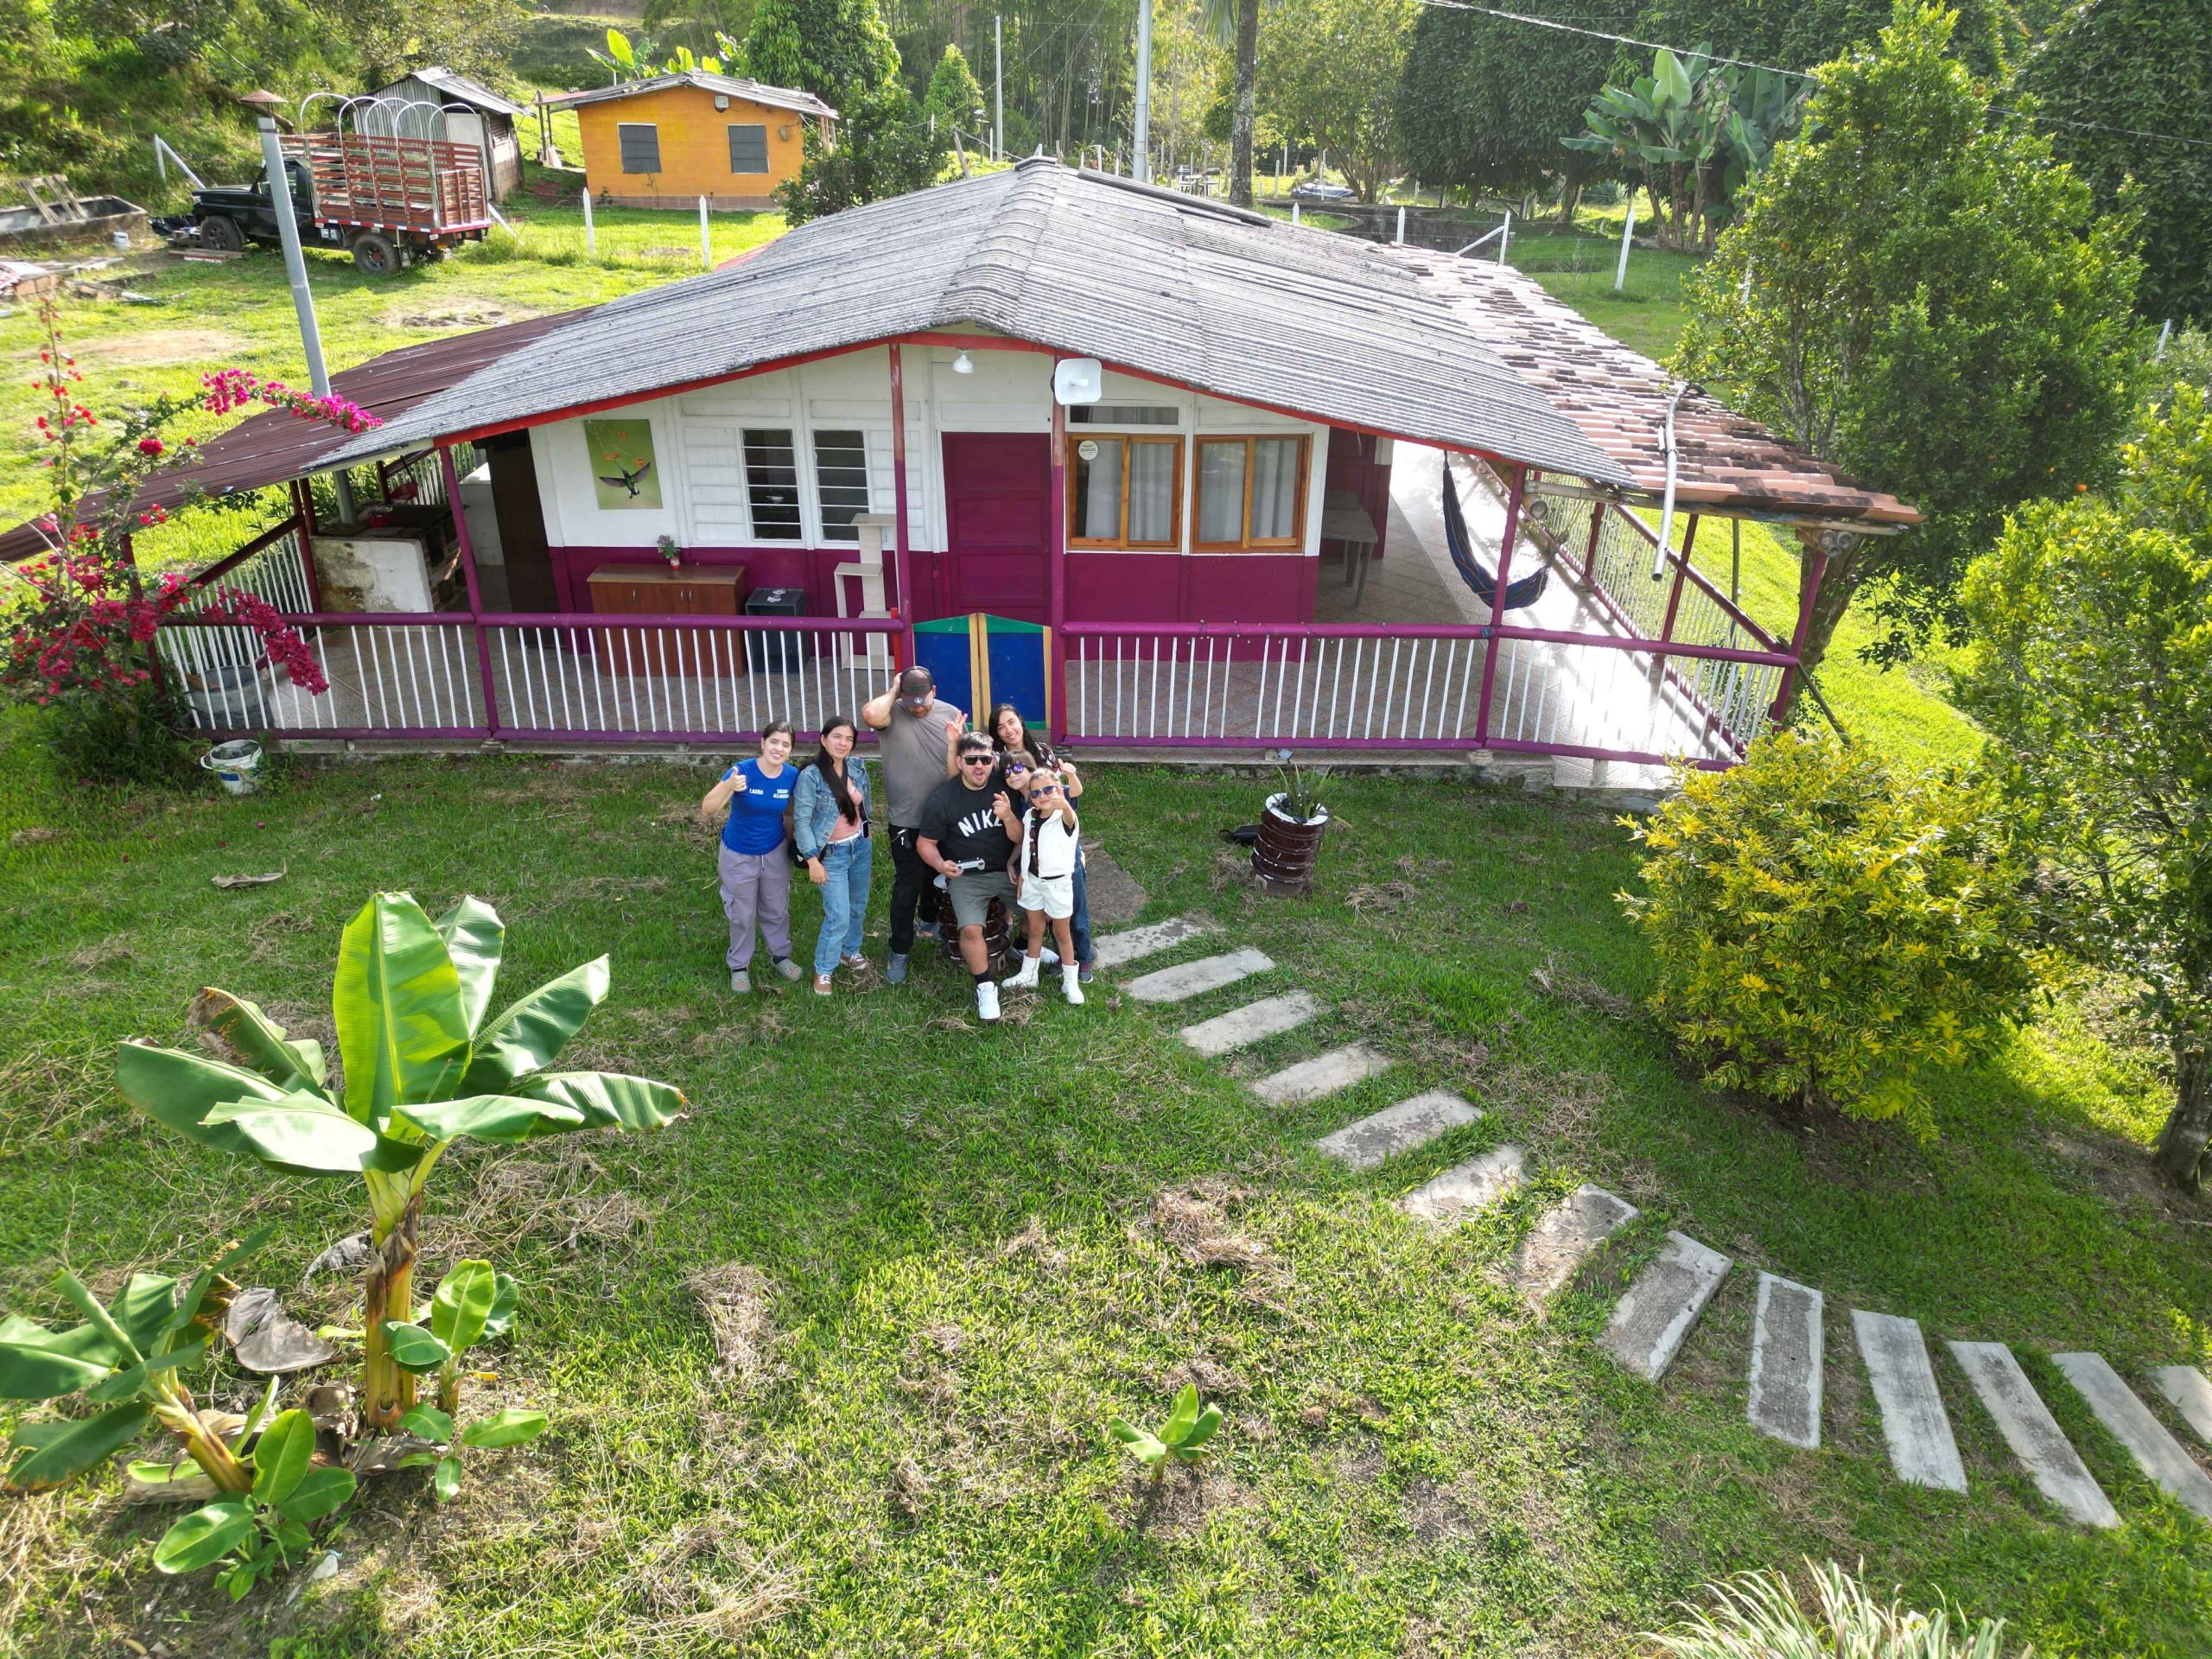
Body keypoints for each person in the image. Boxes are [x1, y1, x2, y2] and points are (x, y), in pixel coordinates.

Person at [861, 665, 964, 985]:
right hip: (905, 820)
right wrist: (894, 691)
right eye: (911, 700)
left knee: (939, 877)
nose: (918, 706)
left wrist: (955, 742)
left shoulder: (950, 714)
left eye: (923, 698)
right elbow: (869, 714)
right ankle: (900, 950)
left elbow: (958, 767)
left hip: (943, 818)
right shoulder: (893, 712)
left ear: (935, 691)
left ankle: (931, 921)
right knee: (907, 885)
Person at [984, 702, 1095, 982]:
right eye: (1001, 726)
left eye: (1012, 722)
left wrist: (1075, 846)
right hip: (1035, 859)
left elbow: (1070, 798)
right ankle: (1062, 956)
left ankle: (1083, 958)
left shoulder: (1043, 753)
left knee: (1074, 907)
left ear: (1021, 721)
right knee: (1054, 911)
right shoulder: (1004, 771)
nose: (1008, 730)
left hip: (1063, 849)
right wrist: (1015, 864)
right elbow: (1025, 836)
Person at [916, 732, 1022, 1023]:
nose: (979, 766)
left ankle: (1023, 949)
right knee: (971, 930)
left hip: (1006, 869)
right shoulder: (943, 798)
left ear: (993, 761)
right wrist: (940, 864)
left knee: (1043, 913)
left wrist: (1009, 816)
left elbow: (1021, 837)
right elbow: (925, 844)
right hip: (968, 875)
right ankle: (986, 988)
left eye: (985, 760)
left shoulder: (1005, 789)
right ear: (960, 762)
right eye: (972, 760)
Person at [699, 722, 805, 993]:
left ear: (791, 750)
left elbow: (790, 811)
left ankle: (780, 955)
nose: (778, 748)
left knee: (776, 907)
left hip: (774, 852)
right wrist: (729, 786)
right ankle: (739, 965)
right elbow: (708, 808)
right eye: (774, 742)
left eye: (785, 744)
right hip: (738, 853)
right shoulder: (742, 771)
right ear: (763, 743)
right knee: (741, 913)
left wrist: (793, 840)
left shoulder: (791, 776)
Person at [793, 715, 872, 996]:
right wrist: (812, 859)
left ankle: (850, 951)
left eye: (849, 738)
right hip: (831, 855)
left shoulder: (857, 767)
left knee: (858, 905)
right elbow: (802, 821)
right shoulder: (811, 776)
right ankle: (823, 968)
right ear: (823, 739)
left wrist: (866, 829)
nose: (843, 743)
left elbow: (863, 803)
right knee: (838, 914)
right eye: (837, 736)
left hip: (859, 848)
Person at [1002, 768, 1084, 1005]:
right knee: (1035, 928)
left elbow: (1069, 814)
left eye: (1049, 789)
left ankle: (1070, 981)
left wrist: (1065, 804)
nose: (1043, 796)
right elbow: (1028, 846)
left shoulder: (1066, 817)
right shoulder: (1029, 816)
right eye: (1036, 792)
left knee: (1062, 933)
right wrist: (1023, 876)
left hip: (1057, 885)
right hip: (1033, 882)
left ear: (1059, 790)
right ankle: (1029, 974)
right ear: (1030, 796)